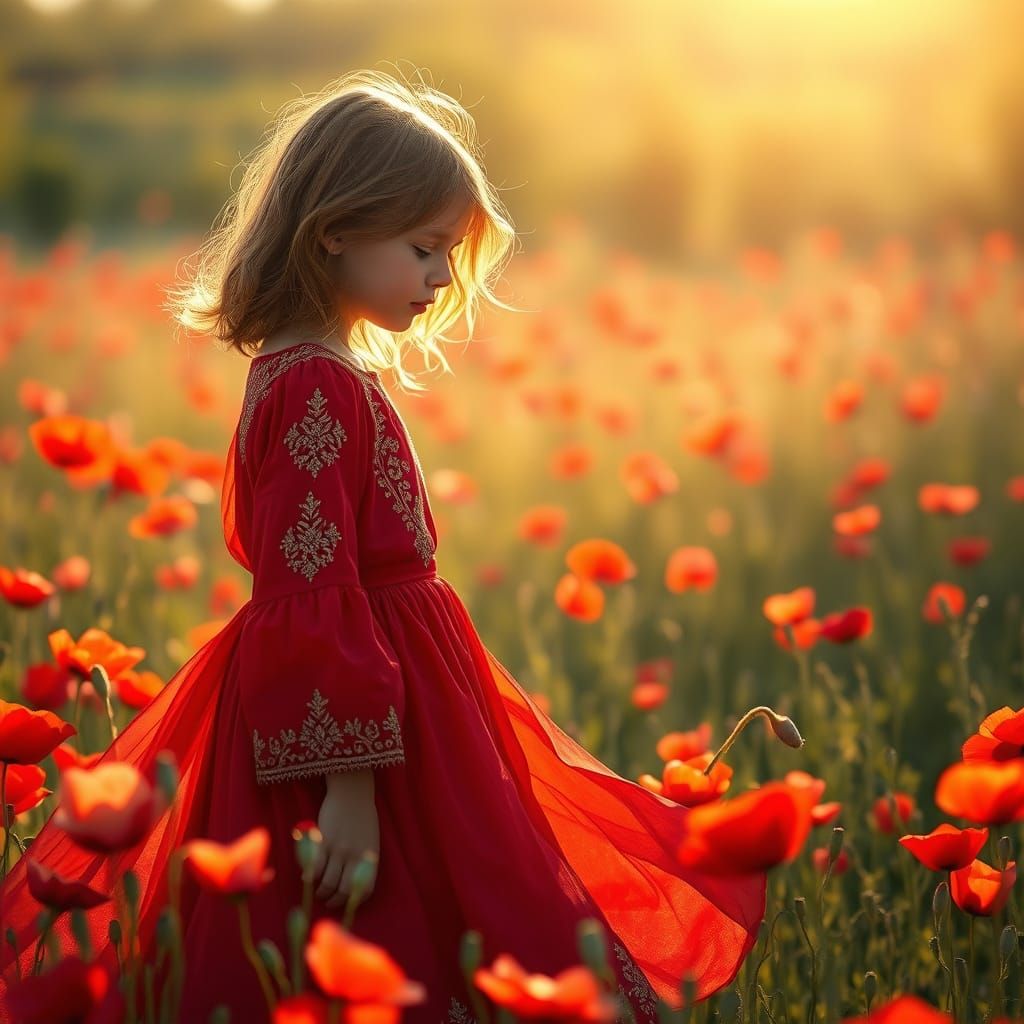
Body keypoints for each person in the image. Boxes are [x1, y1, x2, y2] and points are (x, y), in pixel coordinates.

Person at [0, 69, 765, 1022]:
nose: (442, 277)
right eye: (424, 248)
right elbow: (311, 585)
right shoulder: (312, 385)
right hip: (362, 725)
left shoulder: (313, 370)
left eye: (447, 253)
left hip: (402, 696)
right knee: (391, 924)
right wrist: (351, 790)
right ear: (335, 231)